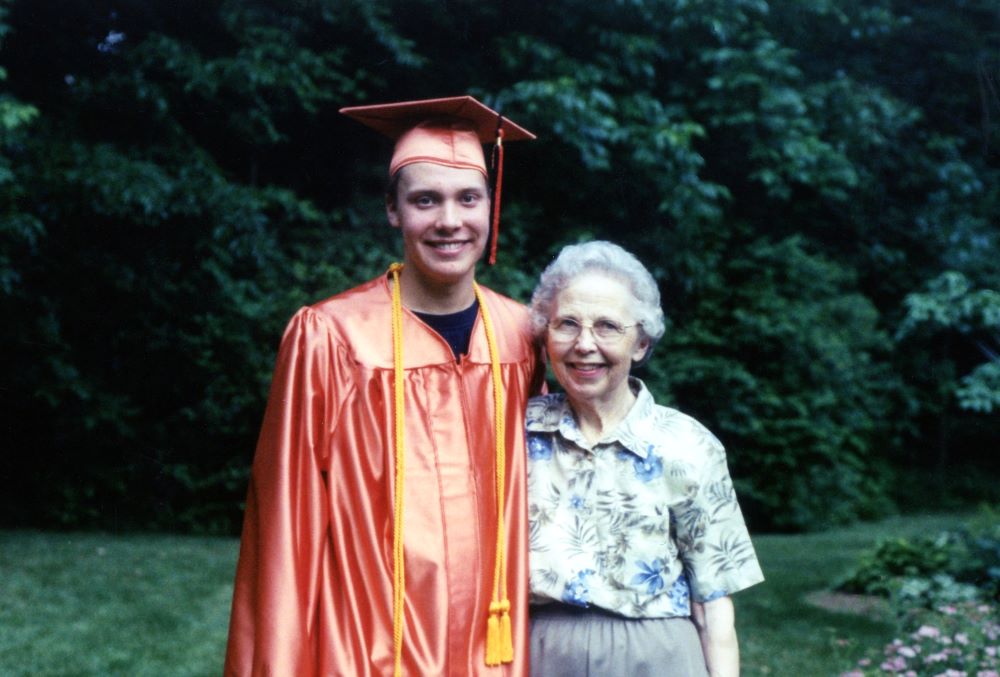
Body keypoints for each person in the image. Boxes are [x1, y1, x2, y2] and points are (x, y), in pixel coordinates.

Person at [224, 96, 545, 676]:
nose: (450, 220)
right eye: (425, 200)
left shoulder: (525, 337)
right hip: (367, 647)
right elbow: (285, 521)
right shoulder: (331, 337)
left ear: (492, 210)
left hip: (495, 647)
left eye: (468, 198)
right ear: (393, 212)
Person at [525, 241, 764, 677]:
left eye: (607, 327)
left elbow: (714, 602)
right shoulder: (514, 433)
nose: (584, 344)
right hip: (541, 654)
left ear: (641, 343)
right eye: (567, 324)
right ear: (545, 335)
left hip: (657, 657)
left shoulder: (689, 446)